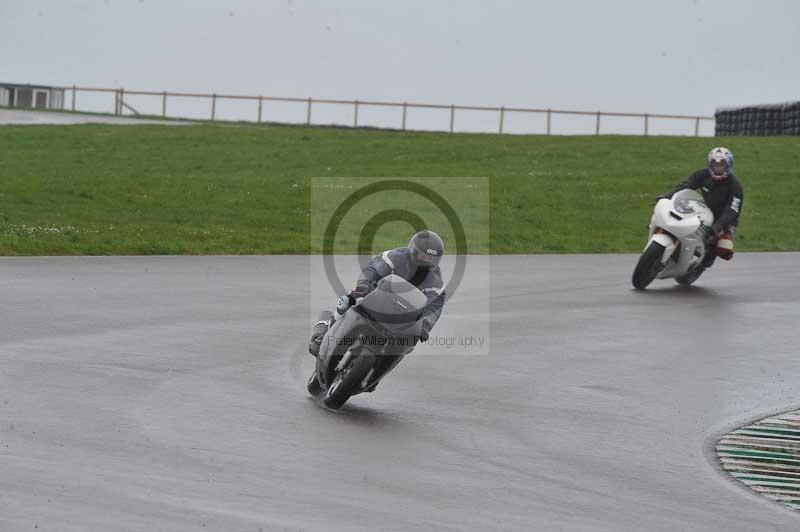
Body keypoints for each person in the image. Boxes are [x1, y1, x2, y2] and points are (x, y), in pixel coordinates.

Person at [308, 229, 446, 357]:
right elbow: (373, 268)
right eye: (423, 256)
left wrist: (425, 326)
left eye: (430, 258)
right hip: (378, 295)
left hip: (404, 313)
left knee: (410, 342)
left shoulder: (436, 282)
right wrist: (364, 284)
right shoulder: (396, 256)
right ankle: (325, 331)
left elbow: (434, 308)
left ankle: (384, 365)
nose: (426, 260)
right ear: (413, 251)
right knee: (348, 301)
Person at [656, 147, 744, 268]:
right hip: (705, 211)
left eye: (722, 165)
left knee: (723, 247)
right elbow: (687, 185)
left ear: (728, 165)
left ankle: (703, 264)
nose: (718, 168)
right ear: (710, 164)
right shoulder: (702, 174)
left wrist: (718, 226)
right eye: (715, 164)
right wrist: (668, 196)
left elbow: (732, 210)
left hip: (724, 220)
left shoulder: (735, 186)